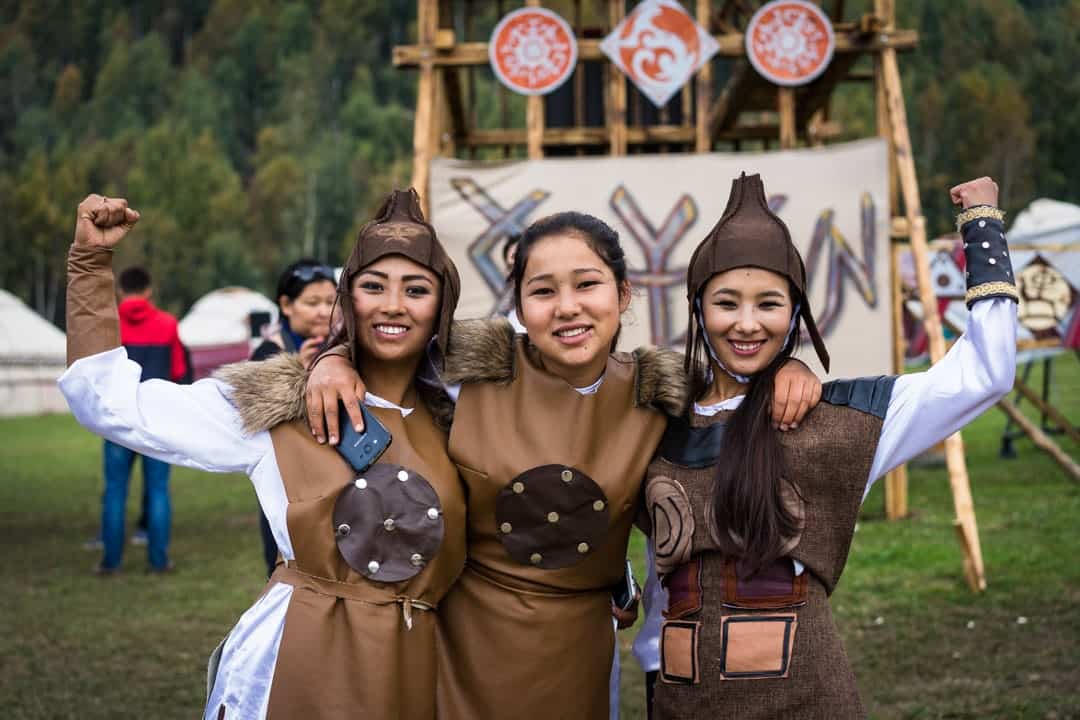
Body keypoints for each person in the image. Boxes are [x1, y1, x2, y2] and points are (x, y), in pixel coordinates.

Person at [305, 211, 824, 720]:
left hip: (582, 643)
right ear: (520, 304)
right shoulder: (471, 371)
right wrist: (334, 357)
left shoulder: (661, 391)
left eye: (587, 284)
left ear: (622, 294)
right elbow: (388, 340)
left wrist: (789, 366)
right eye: (544, 291)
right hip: (466, 643)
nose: (567, 308)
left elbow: (732, 390)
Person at [60, 189, 466, 719]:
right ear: (348, 301)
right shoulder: (275, 404)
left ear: (443, 306)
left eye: (416, 289)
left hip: (418, 668)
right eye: (372, 286)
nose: (392, 305)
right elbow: (110, 404)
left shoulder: (467, 417)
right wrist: (90, 264)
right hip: (290, 666)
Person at [642, 174, 1017, 718]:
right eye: (726, 302)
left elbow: (984, 373)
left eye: (768, 303)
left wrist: (982, 227)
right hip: (681, 703)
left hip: (806, 702)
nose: (747, 323)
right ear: (698, 309)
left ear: (794, 314)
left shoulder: (840, 422)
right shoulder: (658, 424)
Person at [84, 265, 187, 574]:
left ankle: (110, 562)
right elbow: (180, 372)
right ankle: (159, 561)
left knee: (115, 489)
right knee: (158, 489)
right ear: (149, 291)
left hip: (117, 420)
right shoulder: (168, 324)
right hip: (156, 419)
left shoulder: (108, 325)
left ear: (120, 291)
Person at [250, 259, 336, 577]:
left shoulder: (344, 349)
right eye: (312, 303)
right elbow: (256, 422)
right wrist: (297, 372)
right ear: (286, 305)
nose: (322, 311)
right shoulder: (267, 353)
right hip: (285, 486)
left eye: (330, 302)